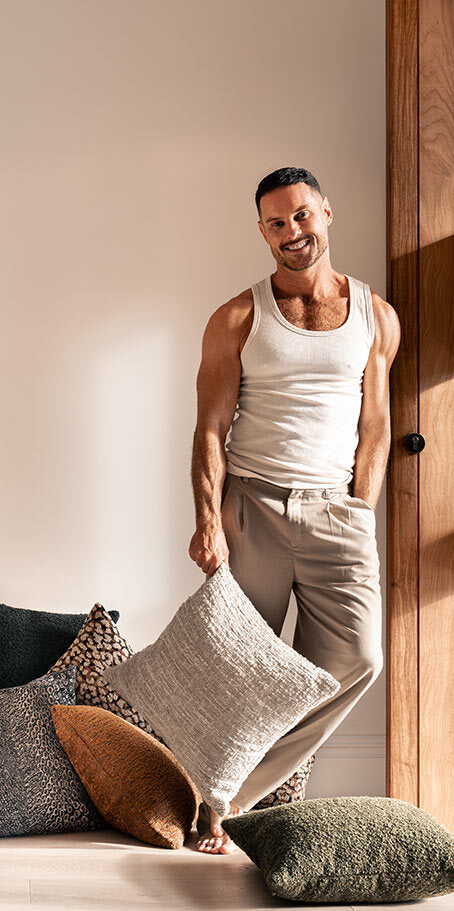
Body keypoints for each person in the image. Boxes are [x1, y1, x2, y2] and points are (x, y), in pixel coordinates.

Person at [189, 166, 401, 855]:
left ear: (326, 214)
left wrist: (361, 511)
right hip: (253, 506)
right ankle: (207, 801)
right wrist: (207, 519)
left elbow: (376, 425)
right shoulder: (237, 317)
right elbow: (211, 428)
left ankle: (236, 794)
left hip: (337, 513)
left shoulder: (376, 316)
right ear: (262, 232)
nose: (292, 232)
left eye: (302, 216)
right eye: (276, 223)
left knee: (358, 659)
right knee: (239, 669)